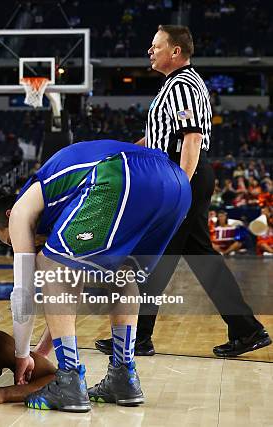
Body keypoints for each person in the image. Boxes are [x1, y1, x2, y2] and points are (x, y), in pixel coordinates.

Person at [95, 25, 270, 358]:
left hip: (182, 175)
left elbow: (190, 139)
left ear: (175, 51)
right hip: (180, 175)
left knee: (154, 257)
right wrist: (125, 154)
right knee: (196, 258)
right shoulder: (175, 86)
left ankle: (137, 337)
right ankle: (247, 330)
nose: (150, 51)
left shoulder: (182, 86)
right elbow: (162, 137)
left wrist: (180, 187)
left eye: (155, 45)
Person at [0, 139, 191, 412]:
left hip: (122, 174)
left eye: (14, 241)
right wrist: (41, 352)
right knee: (122, 274)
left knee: (47, 263)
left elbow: (23, 294)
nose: (26, 243)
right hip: (175, 183)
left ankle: (69, 381)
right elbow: (69, 293)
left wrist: (21, 355)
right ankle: (123, 376)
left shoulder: (22, 208)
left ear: (10, 215)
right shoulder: (65, 203)